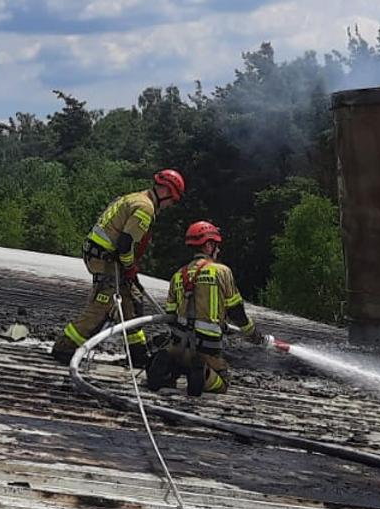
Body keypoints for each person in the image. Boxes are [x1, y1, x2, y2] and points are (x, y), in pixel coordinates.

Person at [49, 169, 186, 363]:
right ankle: (65, 347)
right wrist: (129, 267)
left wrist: (129, 271)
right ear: (165, 191)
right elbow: (125, 244)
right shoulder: (145, 208)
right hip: (107, 260)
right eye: (173, 199)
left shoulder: (135, 197)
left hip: (104, 256)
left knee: (132, 301)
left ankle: (137, 353)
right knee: (102, 306)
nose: (172, 204)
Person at [144, 220, 261, 396]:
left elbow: (170, 315)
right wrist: (252, 333)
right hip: (207, 350)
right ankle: (203, 373)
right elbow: (236, 311)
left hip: (180, 346)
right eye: (216, 246)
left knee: (175, 363)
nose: (218, 251)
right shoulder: (221, 272)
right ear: (208, 245)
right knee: (222, 384)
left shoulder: (178, 275)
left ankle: (167, 369)